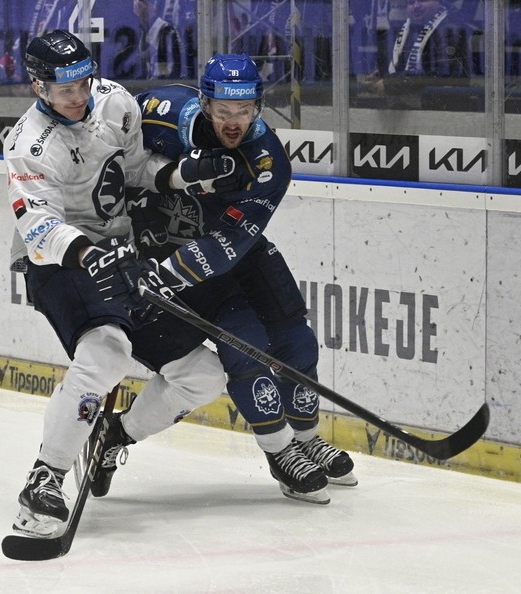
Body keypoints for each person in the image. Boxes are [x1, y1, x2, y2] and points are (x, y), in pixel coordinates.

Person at [92, 53, 358, 505]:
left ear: (257, 105)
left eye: (245, 111)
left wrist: (169, 275)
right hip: (161, 245)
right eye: (223, 112)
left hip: (227, 251)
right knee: (245, 345)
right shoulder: (160, 110)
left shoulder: (268, 159)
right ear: (206, 102)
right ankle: (279, 452)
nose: (234, 123)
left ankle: (306, 438)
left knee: (295, 335)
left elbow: (233, 238)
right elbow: (101, 157)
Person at [4, 30, 233, 537]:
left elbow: (134, 172)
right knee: (106, 352)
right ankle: (45, 478)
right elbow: (39, 225)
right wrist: (93, 255)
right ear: (37, 87)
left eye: (83, 82)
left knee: (204, 377)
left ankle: (112, 436)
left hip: (122, 253)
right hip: (58, 261)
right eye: (64, 89)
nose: (79, 96)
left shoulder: (115, 104)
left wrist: (184, 175)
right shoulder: (27, 145)